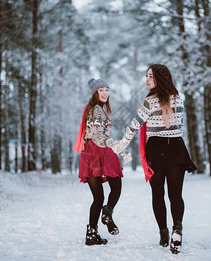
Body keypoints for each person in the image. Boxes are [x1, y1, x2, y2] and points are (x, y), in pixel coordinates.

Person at [110, 64, 197, 254]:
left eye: (151, 76)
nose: (147, 80)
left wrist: (121, 144)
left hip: (156, 151)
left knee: (158, 194)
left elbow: (135, 125)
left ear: (160, 78)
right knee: (176, 195)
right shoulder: (178, 100)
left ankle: (164, 233)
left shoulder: (150, 102)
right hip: (176, 149)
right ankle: (177, 230)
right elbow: (178, 126)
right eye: (146, 76)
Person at [73, 78, 131, 246]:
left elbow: (93, 134)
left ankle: (91, 234)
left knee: (98, 198)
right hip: (99, 152)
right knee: (116, 186)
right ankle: (107, 213)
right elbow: (99, 136)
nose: (105, 93)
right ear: (95, 93)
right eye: (101, 90)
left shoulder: (92, 109)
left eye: (107, 89)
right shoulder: (97, 110)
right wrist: (116, 145)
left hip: (89, 153)